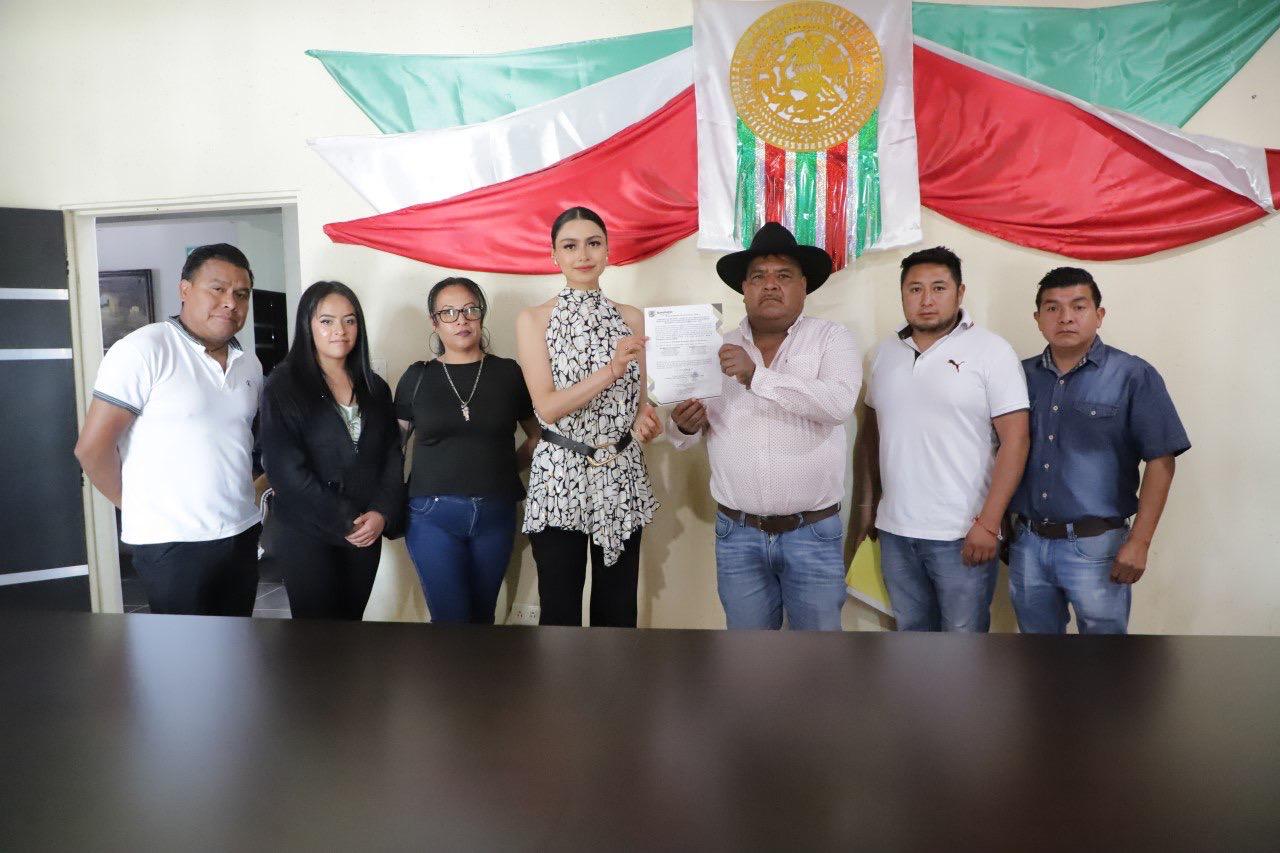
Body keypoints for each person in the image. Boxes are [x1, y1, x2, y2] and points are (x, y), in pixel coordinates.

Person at [666, 222, 860, 630]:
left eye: (783, 275)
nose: (770, 284)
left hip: (813, 532)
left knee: (821, 654)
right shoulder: (712, 346)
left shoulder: (832, 339)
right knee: (747, 655)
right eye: (758, 277)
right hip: (737, 535)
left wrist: (757, 376)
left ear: (804, 286)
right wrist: (682, 427)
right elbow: (682, 437)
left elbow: (837, 405)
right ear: (744, 289)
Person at [74, 243, 263, 615]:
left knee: (239, 643)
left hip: (240, 533)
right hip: (172, 543)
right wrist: (133, 504)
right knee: (181, 649)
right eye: (218, 289)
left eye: (241, 294)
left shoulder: (249, 364)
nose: (230, 303)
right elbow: (92, 448)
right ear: (185, 289)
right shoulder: (144, 349)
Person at [850, 246, 1030, 632]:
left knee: (963, 647)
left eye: (939, 288)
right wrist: (868, 508)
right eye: (915, 289)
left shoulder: (992, 351)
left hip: (962, 533)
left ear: (960, 293)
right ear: (902, 295)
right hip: (896, 532)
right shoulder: (883, 354)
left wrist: (990, 523)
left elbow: (1016, 441)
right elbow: (872, 436)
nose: (927, 300)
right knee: (912, 642)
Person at [1009, 267, 1189, 634]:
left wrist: (1139, 542)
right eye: (1052, 308)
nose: (1066, 317)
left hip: (1097, 547)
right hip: (1027, 543)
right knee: (1035, 657)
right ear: (1038, 318)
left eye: (1079, 306)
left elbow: (1161, 460)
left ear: (1099, 314)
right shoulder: (1017, 376)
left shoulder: (1133, 375)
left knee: (1105, 658)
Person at [515, 206, 661, 627]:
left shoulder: (632, 317)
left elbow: (641, 404)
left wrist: (647, 423)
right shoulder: (534, 319)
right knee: (559, 608)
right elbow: (547, 407)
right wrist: (611, 370)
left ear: (608, 250)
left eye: (593, 243)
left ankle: (615, 675)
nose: (583, 255)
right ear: (554, 255)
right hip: (560, 472)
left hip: (621, 472)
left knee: (618, 608)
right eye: (570, 245)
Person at [394, 277, 540, 624]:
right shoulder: (417, 377)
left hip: (496, 513)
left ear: (481, 315)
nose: (461, 320)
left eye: (470, 310)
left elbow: (538, 437)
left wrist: (504, 467)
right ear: (434, 322)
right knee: (451, 621)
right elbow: (392, 449)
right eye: (448, 312)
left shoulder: (508, 373)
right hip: (432, 515)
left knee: (482, 618)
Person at [258, 281, 403, 620]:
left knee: (351, 626)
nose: (340, 330)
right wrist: (345, 519)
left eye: (349, 320)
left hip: (366, 528)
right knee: (316, 636)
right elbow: (285, 470)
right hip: (307, 528)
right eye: (326, 321)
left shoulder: (375, 388)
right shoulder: (283, 386)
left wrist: (381, 513)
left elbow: (391, 457)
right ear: (307, 325)